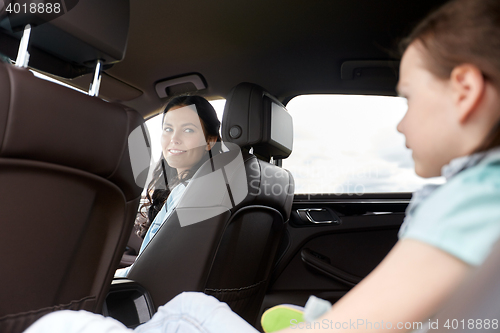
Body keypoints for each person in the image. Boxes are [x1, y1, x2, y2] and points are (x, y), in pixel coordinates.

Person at [24, 0, 500, 332]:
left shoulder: (476, 195)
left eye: (409, 100)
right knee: (191, 304)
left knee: (57, 324)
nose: (402, 127)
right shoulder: (475, 193)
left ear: (464, 90)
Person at [115, 95, 221, 277]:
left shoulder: (190, 191)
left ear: (210, 141)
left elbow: (148, 271)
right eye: (168, 129)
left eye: (188, 130)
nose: (174, 139)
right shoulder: (213, 184)